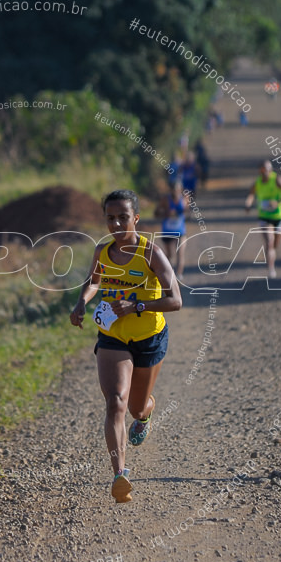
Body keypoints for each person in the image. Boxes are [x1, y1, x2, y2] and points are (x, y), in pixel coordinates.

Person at [70, 190, 183, 503]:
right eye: (110, 217)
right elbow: (94, 281)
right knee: (115, 402)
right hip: (113, 336)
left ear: (136, 219)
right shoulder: (103, 250)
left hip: (149, 336)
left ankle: (145, 414)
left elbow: (176, 300)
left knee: (135, 407)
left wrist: (136, 306)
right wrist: (82, 302)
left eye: (123, 217)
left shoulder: (151, 254)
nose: (116, 223)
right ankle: (120, 475)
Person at [244, 160, 281, 279]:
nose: (267, 172)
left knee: (275, 244)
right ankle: (271, 268)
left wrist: (277, 203)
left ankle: (271, 256)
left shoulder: (277, 180)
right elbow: (251, 194)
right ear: (260, 170)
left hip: (279, 217)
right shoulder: (258, 182)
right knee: (269, 241)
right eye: (264, 170)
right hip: (264, 216)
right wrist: (248, 203)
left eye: (269, 170)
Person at [157, 181, 187, 278]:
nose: (176, 192)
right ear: (170, 190)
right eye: (174, 190)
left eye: (178, 190)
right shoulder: (165, 200)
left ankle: (178, 275)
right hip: (167, 231)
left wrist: (184, 212)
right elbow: (156, 213)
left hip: (180, 231)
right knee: (169, 255)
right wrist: (166, 214)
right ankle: (169, 275)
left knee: (180, 253)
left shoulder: (185, 199)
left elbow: (188, 214)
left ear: (180, 190)